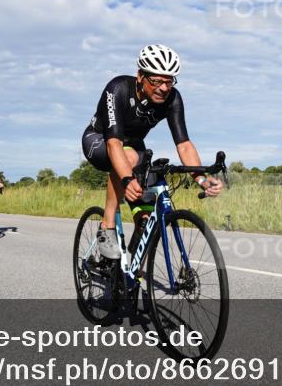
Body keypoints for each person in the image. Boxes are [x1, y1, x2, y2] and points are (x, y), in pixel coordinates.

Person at [81, 44, 223, 261]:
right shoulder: (118, 88)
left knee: (147, 217)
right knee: (128, 156)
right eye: (156, 81)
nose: (164, 88)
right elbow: (114, 145)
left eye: (169, 81)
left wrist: (202, 179)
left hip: (135, 147)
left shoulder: (173, 98)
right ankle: (107, 225)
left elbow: (184, 144)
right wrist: (128, 180)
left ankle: (130, 271)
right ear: (140, 76)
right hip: (100, 141)